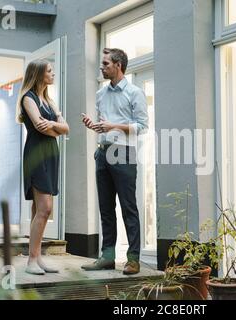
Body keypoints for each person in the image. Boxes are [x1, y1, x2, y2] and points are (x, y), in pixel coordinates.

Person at [81, 48, 149, 275]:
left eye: (106, 64)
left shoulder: (134, 92)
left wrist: (114, 126)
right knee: (106, 208)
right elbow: (104, 124)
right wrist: (96, 127)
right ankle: (107, 257)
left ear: (118, 65)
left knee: (128, 207)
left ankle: (133, 260)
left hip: (124, 153)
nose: (102, 67)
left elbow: (142, 126)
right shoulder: (101, 94)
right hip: (103, 152)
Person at [16, 59, 70, 275]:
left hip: (50, 154)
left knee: (39, 209)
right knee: (45, 208)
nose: (53, 74)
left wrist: (56, 125)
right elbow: (40, 126)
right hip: (36, 154)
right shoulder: (28, 99)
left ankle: (37, 258)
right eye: (50, 71)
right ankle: (31, 260)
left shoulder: (48, 100)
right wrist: (57, 127)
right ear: (38, 75)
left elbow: (65, 128)